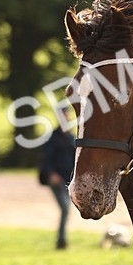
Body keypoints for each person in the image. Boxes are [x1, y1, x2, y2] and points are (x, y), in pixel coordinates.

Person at [39, 106, 76, 250]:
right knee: (65, 209)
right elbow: (46, 159)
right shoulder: (52, 138)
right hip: (57, 180)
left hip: (69, 179)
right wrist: (51, 174)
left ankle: (62, 239)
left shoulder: (71, 138)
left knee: (66, 209)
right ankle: (61, 240)